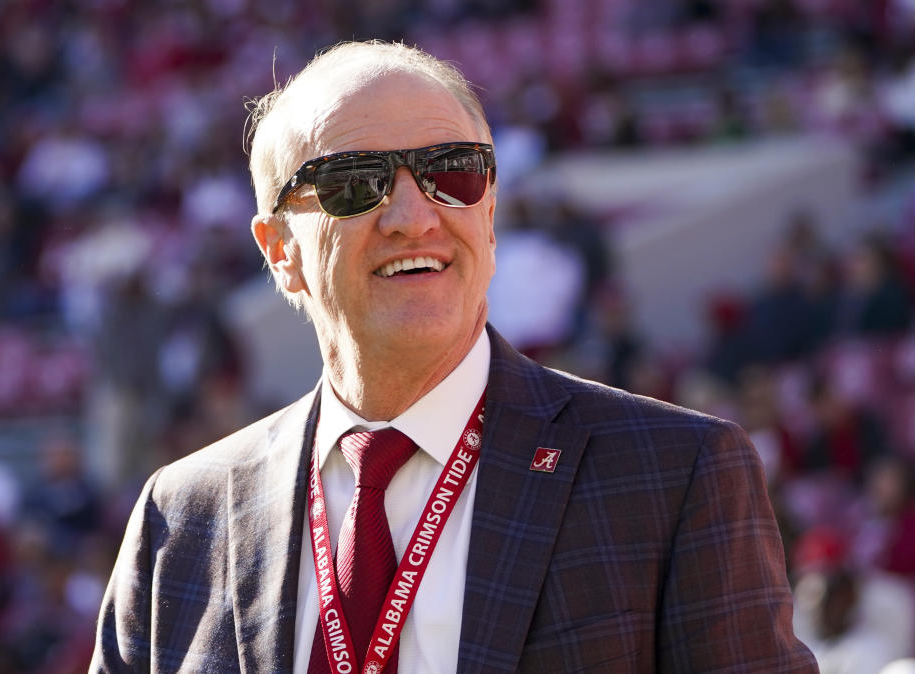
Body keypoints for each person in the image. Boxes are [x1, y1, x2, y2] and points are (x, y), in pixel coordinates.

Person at [90, 40, 818, 673]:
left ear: (490, 215)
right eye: (357, 183)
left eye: (455, 171)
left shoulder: (671, 476)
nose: (415, 216)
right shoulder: (181, 518)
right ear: (281, 251)